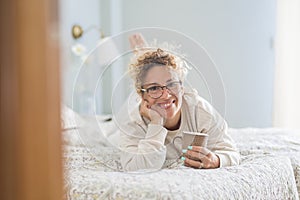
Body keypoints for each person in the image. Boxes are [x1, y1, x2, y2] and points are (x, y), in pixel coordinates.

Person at [119, 34, 239, 172]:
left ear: (182, 87)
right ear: (141, 95)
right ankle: (142, 55)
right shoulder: (133, 122)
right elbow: (135, 168)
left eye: (172, 84)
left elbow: (231, 152)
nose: (166, 95)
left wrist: (216, 160)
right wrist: (156, 123)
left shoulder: (199, 111)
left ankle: (145, 59)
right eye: (154, 88)